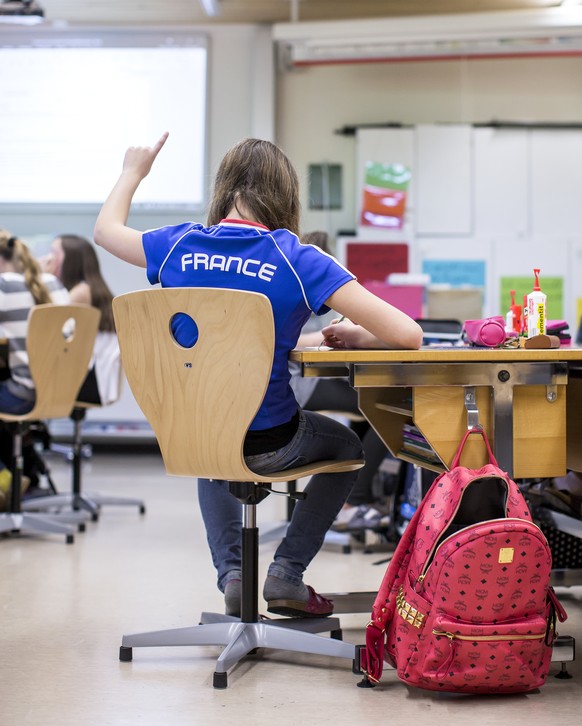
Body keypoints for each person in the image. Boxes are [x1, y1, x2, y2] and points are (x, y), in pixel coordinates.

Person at [93, 132, 423, 618]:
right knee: (350, 447)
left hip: (190, 432)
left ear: (225, 190)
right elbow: (408, 335)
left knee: (211, 438)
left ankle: (232, 576)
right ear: (286, 196)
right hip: (272, 439)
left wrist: (132, 172)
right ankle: (287, 573)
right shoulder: (298, 257)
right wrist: (356, 336)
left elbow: (105, 231)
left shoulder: (179, 243)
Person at [291, 231, 396, 532]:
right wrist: (329, 336)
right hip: (297, 384)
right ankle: (352, 503)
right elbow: (289, 340)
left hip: (304, 379)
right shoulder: (298, 285)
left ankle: (355, 499)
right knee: (388, 408)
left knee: (373, 400)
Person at [0, 230, 69, 507]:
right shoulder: (53, 283)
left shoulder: (4, 286)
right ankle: (23, 476)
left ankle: (6, 479)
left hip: (25, 394)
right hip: (61, 390)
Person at [41, 234, 120, 407]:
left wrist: (43, 279)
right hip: (92, 378)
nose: (47, 258)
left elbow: (50, 330)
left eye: (53, 253)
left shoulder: (81, 293)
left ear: (70, 260)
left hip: (90, 382)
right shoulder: (88, 288)